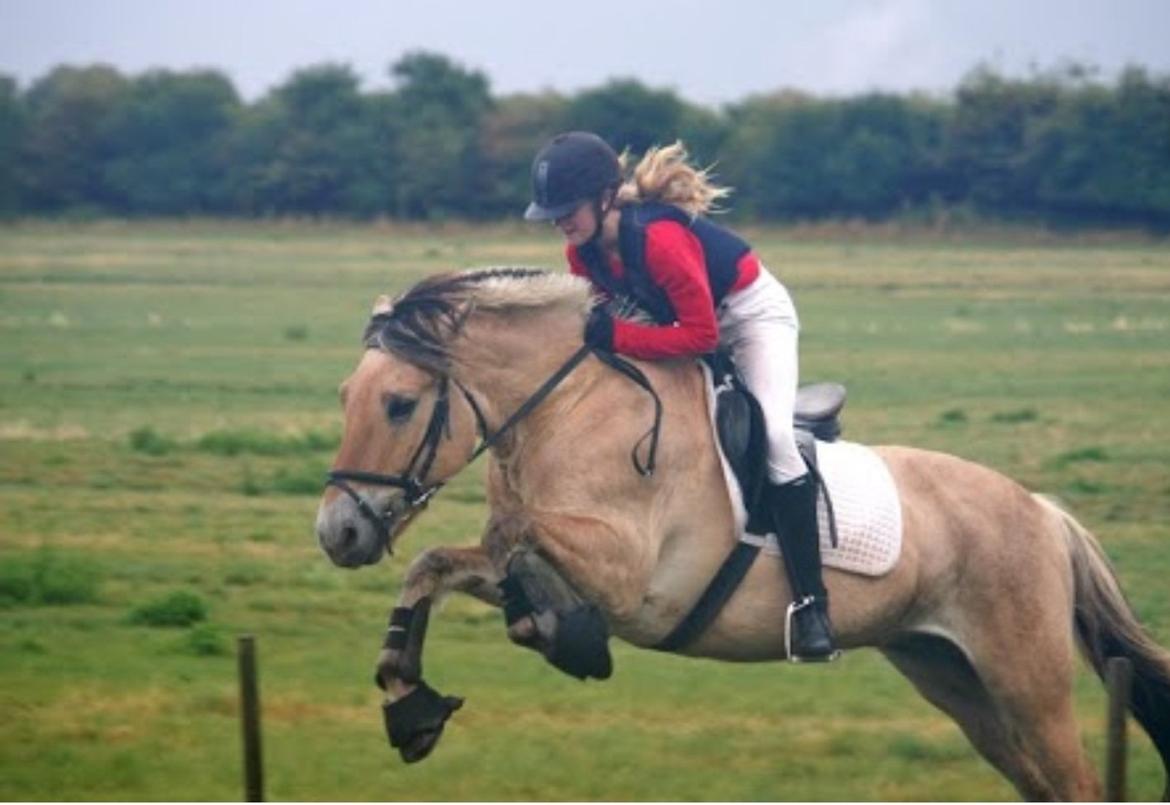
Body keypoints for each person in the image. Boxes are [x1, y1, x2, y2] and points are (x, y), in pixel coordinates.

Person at [524, 131, 838, 662]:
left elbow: (701, 337)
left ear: (604, 199)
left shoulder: (659, 240)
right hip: (681, 321)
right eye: (552, 212)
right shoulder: (582, 256)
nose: (560, 221)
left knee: (777, 436)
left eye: (568, 208)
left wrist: (620, 338)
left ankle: (812, 607)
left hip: (748, 318)